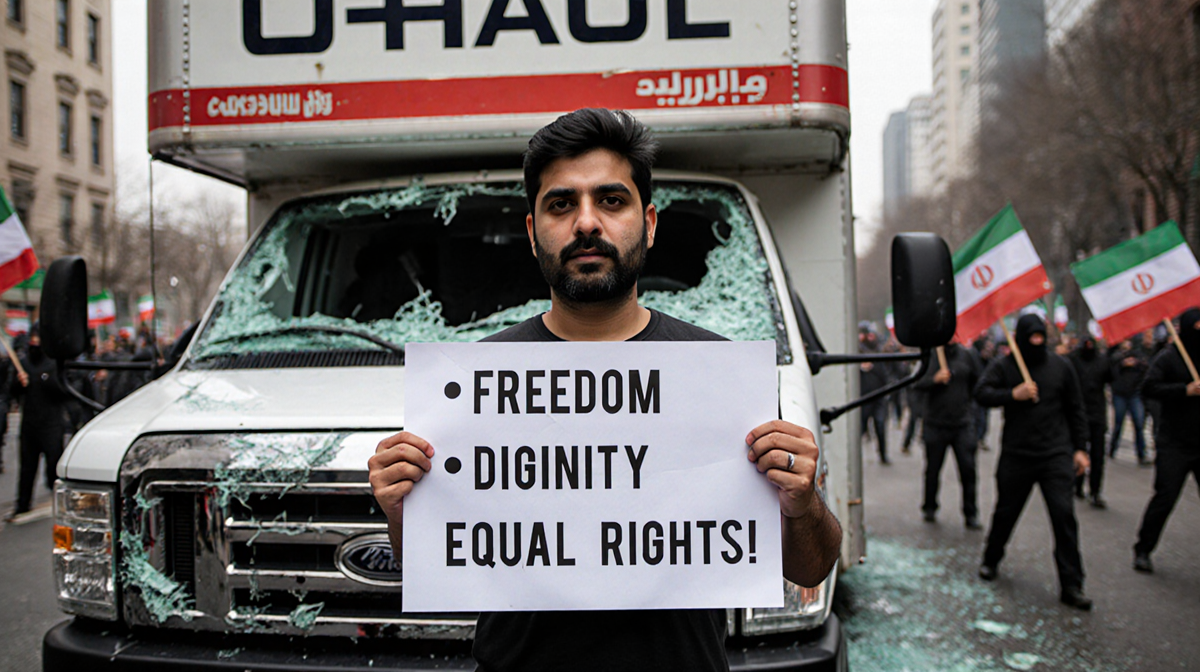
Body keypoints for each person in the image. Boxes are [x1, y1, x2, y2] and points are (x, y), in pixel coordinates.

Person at [366, 108, 842, 672]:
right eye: (561, 204)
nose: (586, 223)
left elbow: (810, 570)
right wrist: (401, 508)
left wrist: (802, 500)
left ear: (650, 223)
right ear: (532, 230)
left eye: (611, 201)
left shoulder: (719, 378)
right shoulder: (469, 386)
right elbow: (444, 560)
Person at [974, 315, 1093, 610]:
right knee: (1005, 512)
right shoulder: (1005, 365)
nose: (1037, 343)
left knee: (1064, 516)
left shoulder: (1061, 366)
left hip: (1055, 455)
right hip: (1018, 455)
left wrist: (1080, 448)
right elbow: (981, 393)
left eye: (1042, 337)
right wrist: (1012, 395)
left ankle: (1072, 583)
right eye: (1032, 338)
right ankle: (991, 559)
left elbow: (1076, 408)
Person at [1132, 307, 1200, 574]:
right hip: (1174, 442)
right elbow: (1149, 387)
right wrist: (1184, 390)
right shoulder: (1169, 358)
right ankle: (1143, 549)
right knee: (1165, 497)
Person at [7, 324, 73, 520]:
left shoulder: (53, 364)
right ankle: (22, 504)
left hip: (51, 423)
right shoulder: (23, 363)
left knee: (53, 462)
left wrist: (44, 380)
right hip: (29, 423)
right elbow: (11, 392)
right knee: (27, 466)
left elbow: (63, 391)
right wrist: (19, 382)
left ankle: (59, 501)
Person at [915, 343, 982, 527]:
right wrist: (933, 379)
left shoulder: (968, 356)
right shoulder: (931, 355)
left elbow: (978, 383)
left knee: (968, 469)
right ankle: (929, 507)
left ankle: (971, 513)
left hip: (962, 424)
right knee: (933, 469)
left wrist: (970, 408)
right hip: (935, 424)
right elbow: (916, 383)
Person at [1069, 336, 1112, 508]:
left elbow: (1111, 377)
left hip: (1097, 414)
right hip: (1079, 413)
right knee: (1079, 450)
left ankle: (1095, 490)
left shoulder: (1102, 360)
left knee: (1097, 455)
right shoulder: (1072, 360)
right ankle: (1078, 484)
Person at [1108, 339, 1149, 464]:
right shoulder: (1115, 356)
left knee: (1138, 424)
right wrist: (1121, 364)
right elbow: (1111, 372)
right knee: (1119, 423)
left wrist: (1136, 363)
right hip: (1120, 393)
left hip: (1134, 393)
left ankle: (1141, 454)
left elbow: (1146, 368)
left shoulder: (1138, 355)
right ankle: (1112, 449)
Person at [859, 325, 891, 464]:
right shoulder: (859, 352)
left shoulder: (878, 352)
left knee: (880, 426)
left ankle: (883, 455)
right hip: (864, 397)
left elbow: (885, 374)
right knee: (860, 427)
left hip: (879, 396)